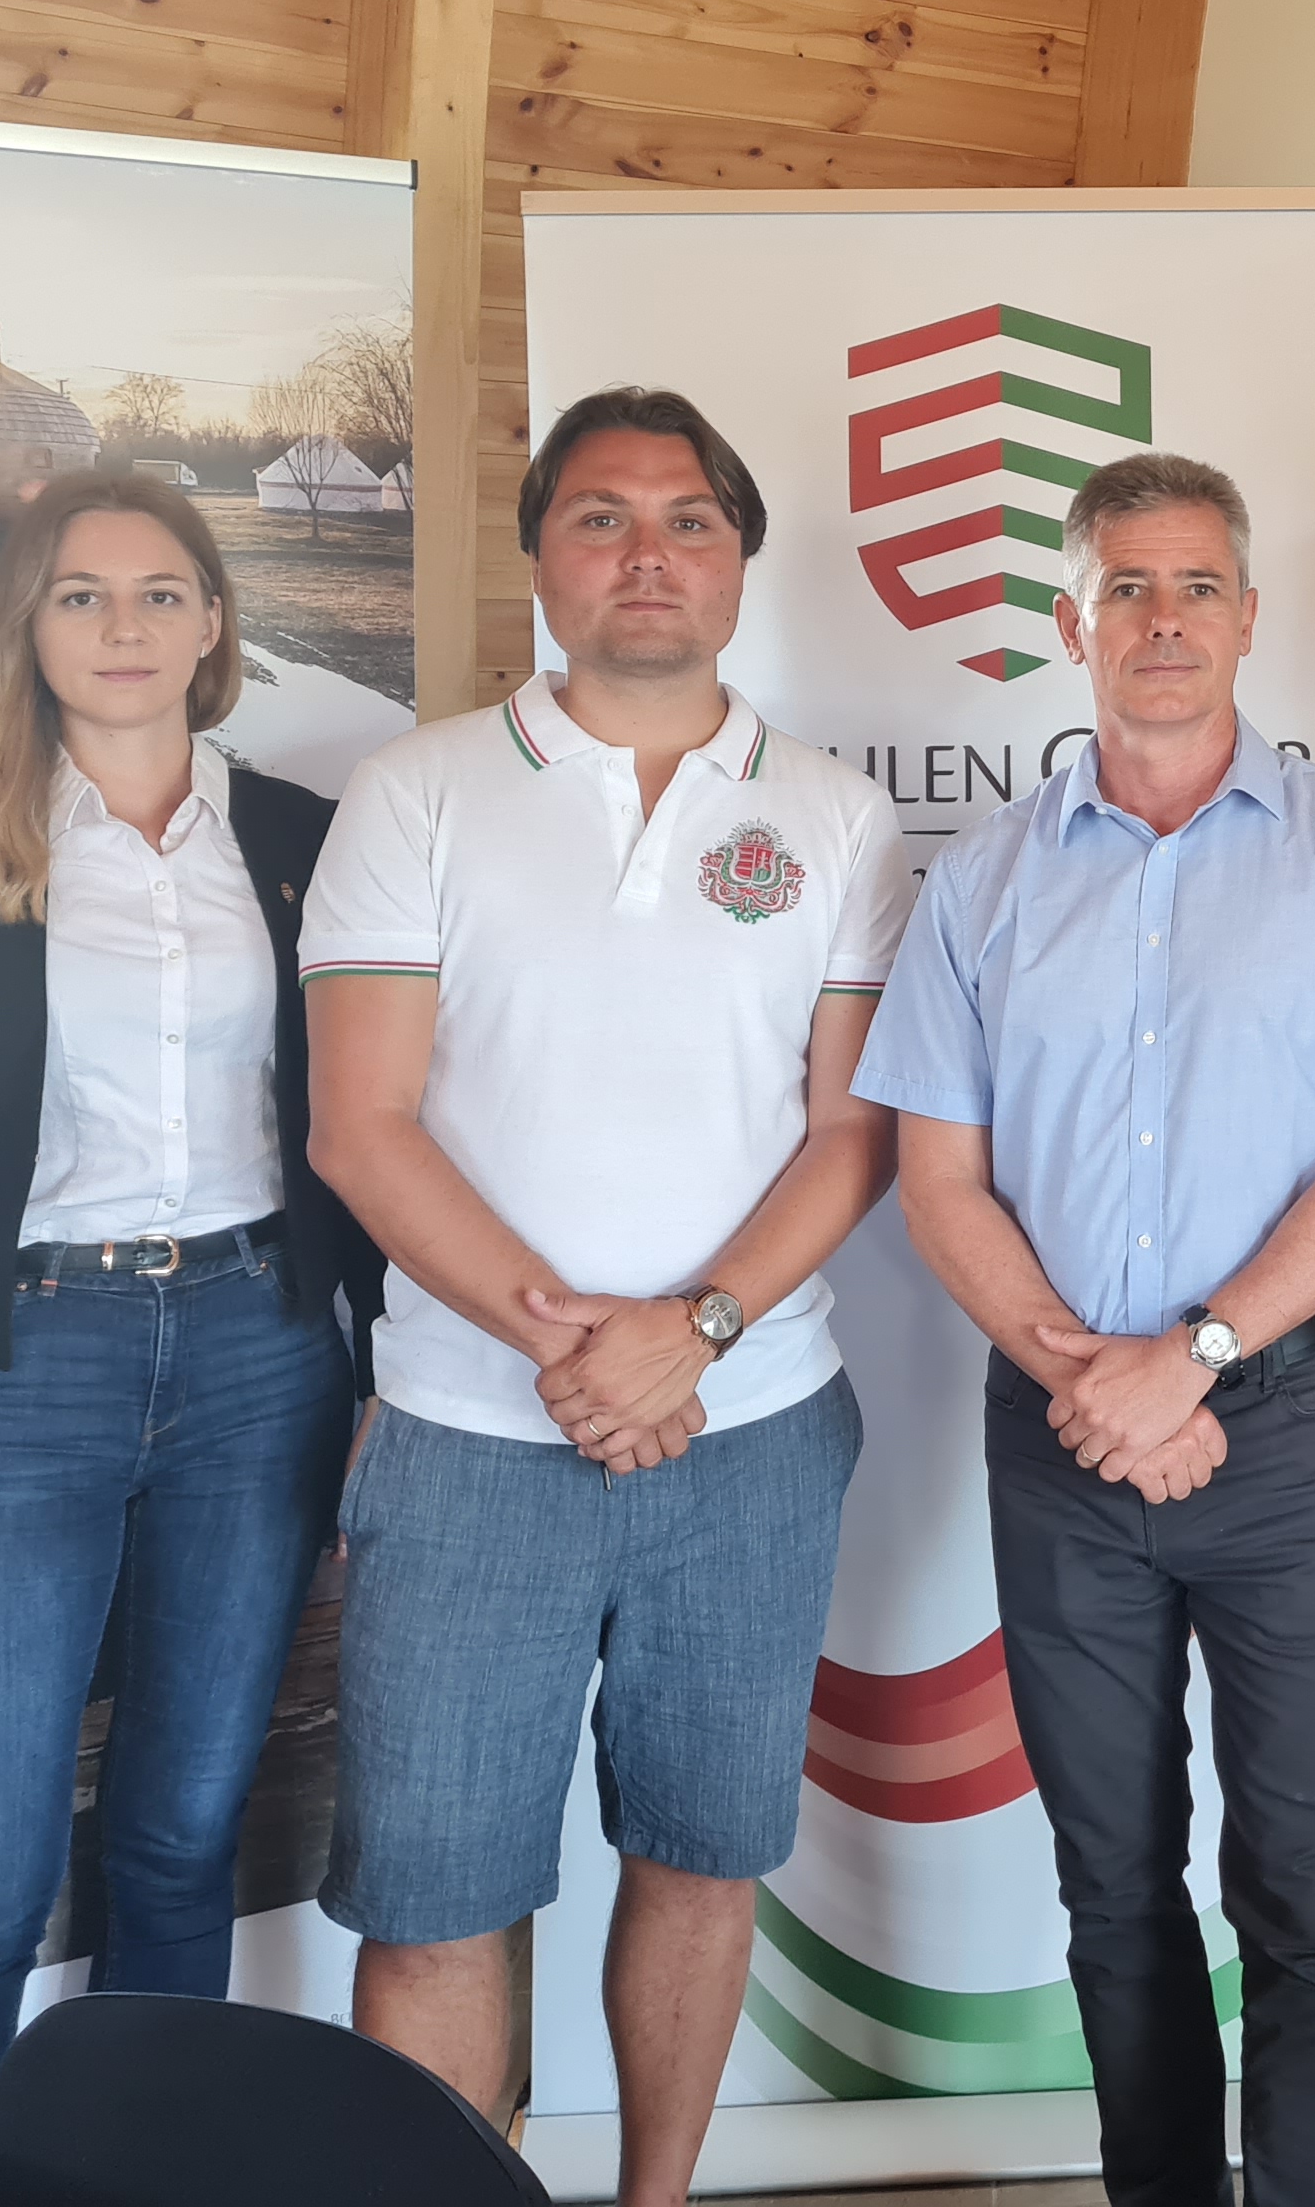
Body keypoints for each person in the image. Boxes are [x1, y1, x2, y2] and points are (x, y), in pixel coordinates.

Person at [856, 451, 1315, 2207]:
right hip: (1064, 1439)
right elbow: (936, 1183)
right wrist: (1100, 1381)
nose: (1162, 618)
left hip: (1282, 1435)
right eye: (1124, 586)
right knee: (1113, 1882)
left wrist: (1191, 1359)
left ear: (1249, 618)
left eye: (1197, 584)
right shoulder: (983, 882)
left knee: (1302, 1878)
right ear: (1070, 625)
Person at [299, 387, 908, 2207]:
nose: (649, 554)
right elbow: (361, 1124)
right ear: (541, 561)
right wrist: (580, 1347)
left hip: (753, 1436)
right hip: (472, 1440)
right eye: (601, 518)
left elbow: (853, 1135)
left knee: (702, 1861)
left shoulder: (836, 814)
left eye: (689, 520)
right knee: (433, 1900)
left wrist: (690, 1336)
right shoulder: (417, 792)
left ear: (741, 562)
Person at [0, 472, 375, 2207]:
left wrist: (373, 1375)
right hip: (12, 1373)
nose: (122, 627)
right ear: (26, 629)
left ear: (213, 624)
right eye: (79, 595)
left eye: (158, 592)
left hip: (262, 1357)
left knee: (184, 1847)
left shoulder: (305, 841)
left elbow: (365, 1126)